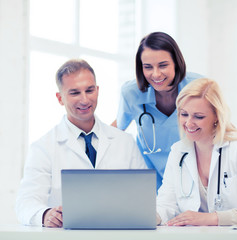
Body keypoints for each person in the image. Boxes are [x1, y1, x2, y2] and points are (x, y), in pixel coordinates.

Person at [113, 31, 237, 191]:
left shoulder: (198, 86)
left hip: (193, 173)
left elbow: (222, 126)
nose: (156, 74)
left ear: (176, 62)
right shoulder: (131, 93)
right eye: (148, 67)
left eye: (163, 65)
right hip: (150, 177)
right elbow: (116, 131)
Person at [15, 59, 147, 228]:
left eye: (89, 90)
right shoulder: (43, 147)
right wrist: (45, 214)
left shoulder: (124, 142)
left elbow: (144, 197)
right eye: (74, 93)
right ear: (60, 98)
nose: (84, 100)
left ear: (97, 91)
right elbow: (26, 201)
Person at [156, 78, 237, 226]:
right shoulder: (178, 151)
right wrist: (152, 217)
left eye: (198, 116)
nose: (188, 123)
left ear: (216, 116)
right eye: (184, 114)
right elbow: (166, 204)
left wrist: (212, 218)